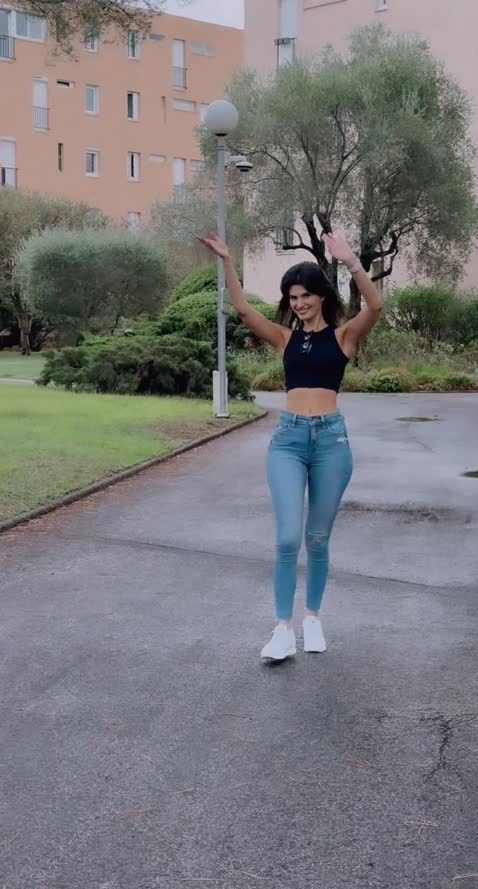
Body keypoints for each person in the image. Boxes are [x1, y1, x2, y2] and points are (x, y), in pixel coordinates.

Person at [200, 231, 383, 661]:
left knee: (317, 537)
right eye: (292, 297)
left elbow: (375, 306)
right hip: (288, 441)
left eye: (305, 296)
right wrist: (227, 261)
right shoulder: (284, 339)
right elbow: (243, 311)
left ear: (321, 296)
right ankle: (282, 628)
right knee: (286, 538)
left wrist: (352, 263)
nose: (298, 303)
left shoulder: (343, 338)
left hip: (332, 442)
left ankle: (312, 617)